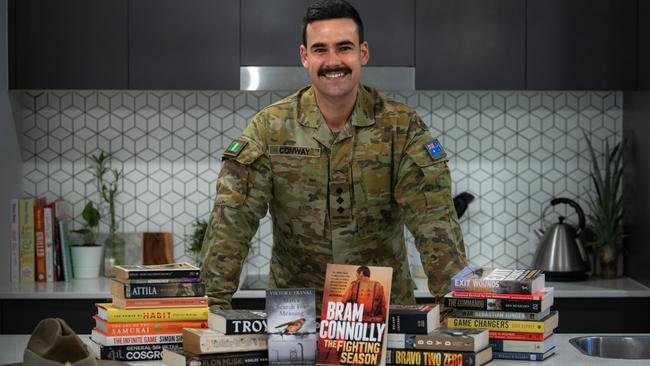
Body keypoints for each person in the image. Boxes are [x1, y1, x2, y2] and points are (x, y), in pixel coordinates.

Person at [200, 0, 467, 309]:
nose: (333, 61)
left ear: (363, 52)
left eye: (344, 48)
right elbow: (233, 218)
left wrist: (457, 311)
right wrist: (212, 308)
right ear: (304, 57)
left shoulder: (401, 127)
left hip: (381, 315)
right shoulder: (270, 128)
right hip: (296, 317)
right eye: (320, 49)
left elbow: (434, 220)